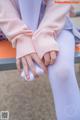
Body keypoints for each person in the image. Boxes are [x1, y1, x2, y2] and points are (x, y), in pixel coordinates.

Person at [0, 0, 80, 119]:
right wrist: (19, 36)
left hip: (55, 19)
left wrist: (46, 33)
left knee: (62, 72)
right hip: (9, 21)